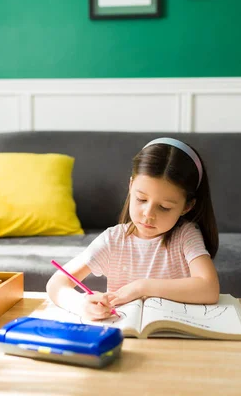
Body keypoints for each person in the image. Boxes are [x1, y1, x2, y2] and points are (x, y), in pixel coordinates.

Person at [46, 137, 220, 320]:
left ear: (187, 206)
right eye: (141, 199)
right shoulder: (113, 239)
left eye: (164, 207)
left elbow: (209, 288)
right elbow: (56, 284)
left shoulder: (186, 236)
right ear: (131, 186)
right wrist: (81, 305)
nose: (148, 214)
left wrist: (141, 287)